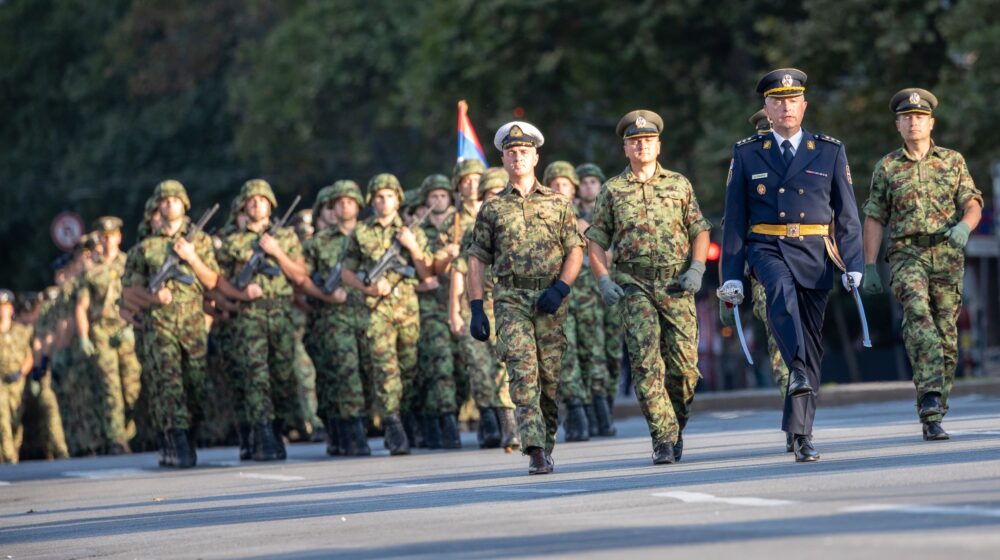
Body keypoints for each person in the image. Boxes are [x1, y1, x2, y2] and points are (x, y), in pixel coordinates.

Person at [719, 69, 863, 462]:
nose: (785, 106)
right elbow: (733, 220)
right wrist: (731, 276)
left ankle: (802, 435)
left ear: (804, 105)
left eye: (792, 99)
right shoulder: (747, 152)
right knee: (779, 293)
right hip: (767, 245)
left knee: (814, 347)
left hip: (816, 251)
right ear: (765, 108)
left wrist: (855, 263)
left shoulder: (829, 150)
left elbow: (848, 214)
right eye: (777, 100)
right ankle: (796, 367)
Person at [586, 110, 711, 464]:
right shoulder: (612, 190)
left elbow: (699, 230)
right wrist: (604, 279)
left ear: (659, 145)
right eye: (634, 141)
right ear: (626, 148)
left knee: (685, 368)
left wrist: (697, 268)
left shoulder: (679, 184)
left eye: (648, 140)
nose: (641, 146)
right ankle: (663, 438)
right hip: (633, 283)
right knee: (645, 364)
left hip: (676, 283)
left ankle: (674, 426)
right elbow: (595, 242)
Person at [861, 88, 983, 441]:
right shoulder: (887, 167)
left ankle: (935, 405)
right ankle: (929, 402)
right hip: (906, 254)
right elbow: (874, 216)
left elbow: (972, 203)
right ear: (898, 125)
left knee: (946, 334)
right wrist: (869, 265)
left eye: (919, 117)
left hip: (947, 253)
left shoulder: (952, 161)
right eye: (906, 118)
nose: (913, 122)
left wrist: (965, 225)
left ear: (931, 123)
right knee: (918, 316)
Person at [467, 121, 585, 474]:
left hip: (549, 297)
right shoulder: (492, 209)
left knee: (549, 378)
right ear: (503, 159)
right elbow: (477, 258)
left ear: (536, 156)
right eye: (511, 152)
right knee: (522, 372)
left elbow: (575, 250)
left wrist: (561, 288)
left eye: (524, 152)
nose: (517, 157)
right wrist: (477, 307)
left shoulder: (558, 204)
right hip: (510, 299)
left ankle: (544, 441)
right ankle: (533, 447)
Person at [124, 179, 223, 467]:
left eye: (175, 200)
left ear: (185, 204)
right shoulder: (145, 248)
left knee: (196, 387)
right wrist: (155, 299)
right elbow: (129, 293)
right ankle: (174, 440)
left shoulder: (200, 242)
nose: (170, 204)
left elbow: (213, 281)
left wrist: (191, 257)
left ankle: (186, 434)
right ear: (158, 207)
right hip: (160, 328)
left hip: (193, 326)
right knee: (169, 385)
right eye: (164, 201)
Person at [342, 173, 433, 456]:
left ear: (398, 199)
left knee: (408, 366)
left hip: (407, 310)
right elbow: (346, 272)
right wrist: (368, 288)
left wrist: (412, 247)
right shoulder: (360, 232)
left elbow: (427, 272)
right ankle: (393, 426)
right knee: (385, 368)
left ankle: (406, 416)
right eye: (379, 197)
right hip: (377, 312)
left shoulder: (412, 231)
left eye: (390, 196)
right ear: (372, 200)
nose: (384, 201)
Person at [218, 179, 306, 461]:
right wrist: (241, 294)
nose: (257, 204)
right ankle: (263, 434)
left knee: (282, 376)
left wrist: (276, 251)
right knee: (256, 377)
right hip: (250, 316)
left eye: (262, 200)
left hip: (280, 312)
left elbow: (299, 276)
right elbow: (218, 282)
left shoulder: (287, 238)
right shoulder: (232, 242)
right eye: (252, 200)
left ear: (271, 204)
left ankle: (276, 428)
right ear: (244, 205)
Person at [720, 110, 792, 450]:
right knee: (781, 342)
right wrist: (729, 286)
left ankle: (800, 407)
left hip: (805, 265)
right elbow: (733, 224)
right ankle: (796, 413)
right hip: (764, 268)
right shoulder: (747, 160)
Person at [448, 167, 520, 450]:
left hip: (507, 301)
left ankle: (510, 426)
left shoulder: (516, 221)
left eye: (496, 192)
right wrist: (455, 309)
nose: (493, 198)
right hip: (477, 302)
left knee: (504, 365)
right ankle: (489, 422)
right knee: (479, 368)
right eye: (487, 194)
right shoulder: (473, 227)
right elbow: (461, 270)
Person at [545, 161, 615, 440]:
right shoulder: (543, 214)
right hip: (558, 295)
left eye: (565, 184)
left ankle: (601, 412)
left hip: (587, 296)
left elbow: (609, 257)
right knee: (566, 354)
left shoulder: (590, 218)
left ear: (573, 190)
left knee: (595, 352)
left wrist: (588, 234)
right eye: (555, 184)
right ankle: (577, 413)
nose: (560, 188)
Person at [302, 181, 372, 456]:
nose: (344, 206)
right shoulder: (319, 243)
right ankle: (349, 433)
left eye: (350, 201)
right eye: (339, 202)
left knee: (365, 373)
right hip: (333, 319)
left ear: (357, 205)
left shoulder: (368, 235)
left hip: (367, 315)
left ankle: (352, 426)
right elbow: (302, 279)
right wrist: (325, 296)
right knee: (344, 374)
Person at [75, 216, 142, 454]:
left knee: (132, 386)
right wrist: (84, 336)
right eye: (103, 237)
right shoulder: (90, 270)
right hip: (102, 330)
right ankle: (117, 440)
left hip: (127, 328)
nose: (107, 241)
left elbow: (140, 293)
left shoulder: (130, 263)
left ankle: (131, 429)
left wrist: (134, 325)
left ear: (119, 238)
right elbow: (82, 307)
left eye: (112, 236)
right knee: (110, 387)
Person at [414, 173, 464, 449]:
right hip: (431, 307)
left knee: (460, 367)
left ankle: (452, 412)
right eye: (433, 196)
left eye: (443, 195)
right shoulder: (418, 232)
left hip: (459, 302)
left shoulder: (457, 227)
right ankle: (444, 421)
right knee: (440, 365)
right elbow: (419, 270)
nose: (438, 200)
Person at [0, 289, 33, 463]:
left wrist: (21, 372)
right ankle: (9, 457)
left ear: (11, 309)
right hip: (1, 383)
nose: (2, 310)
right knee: (2, 415)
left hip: (18, 383)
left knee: (15, 421)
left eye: (5, 306)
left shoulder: (22, 331)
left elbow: (29, 355)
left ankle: (12, 450)